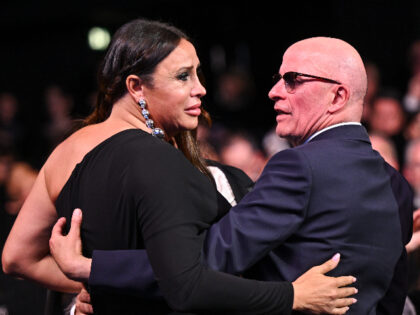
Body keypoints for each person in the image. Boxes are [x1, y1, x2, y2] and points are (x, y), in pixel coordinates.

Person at [1, 20, 357, 315]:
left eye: (197, 74)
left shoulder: (66, 151)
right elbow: (189, 278)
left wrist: (97, 281)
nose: (201, 89)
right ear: (136, 87)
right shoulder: (151, 158)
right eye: (184, 76)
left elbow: (16, 257)